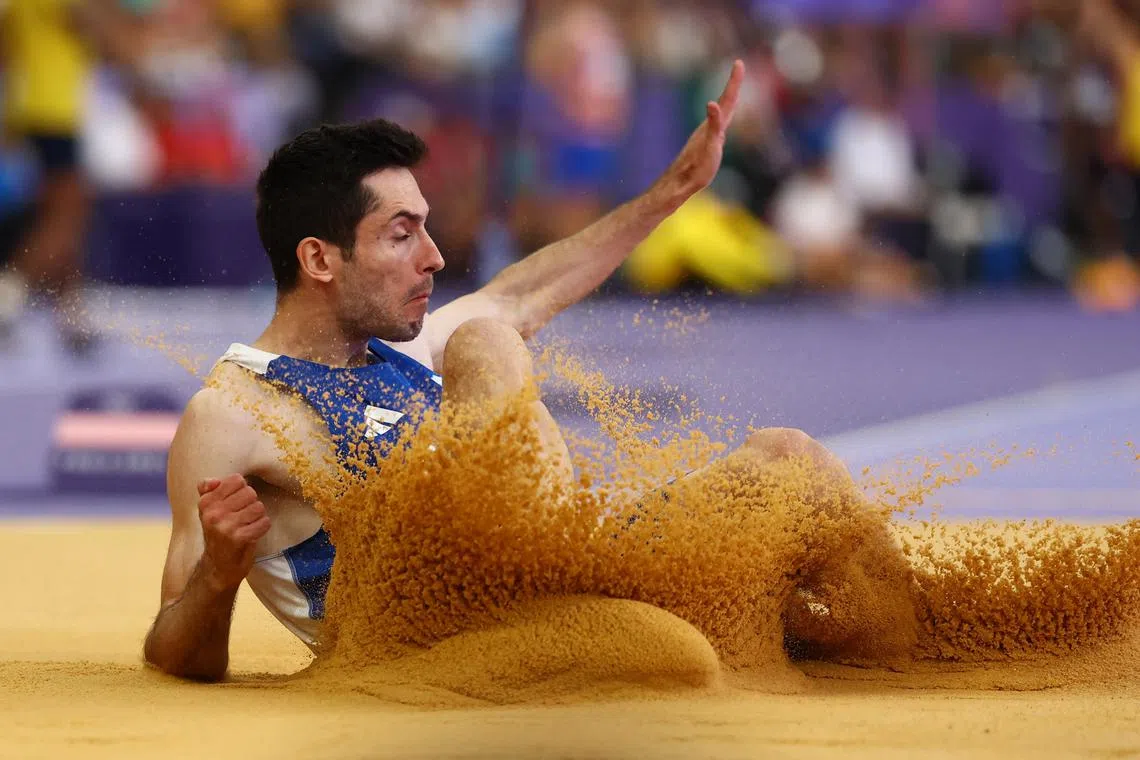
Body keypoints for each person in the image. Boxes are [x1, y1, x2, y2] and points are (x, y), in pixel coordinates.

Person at [143, 60, 912, 682]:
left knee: (790, 461)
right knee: (486, 344)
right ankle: (600, 589)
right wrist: (218, 576)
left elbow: (525, 291)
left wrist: (671, 193)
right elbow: (173, 652)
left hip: (558, 586)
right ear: (319, 259)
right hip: (435, 645)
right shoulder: (234, 413)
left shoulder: (398, 347)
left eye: (427, 230)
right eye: (401, 235)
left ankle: (925, 642)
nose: (433, 257)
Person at [0, 0, 138, 350]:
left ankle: (72, 315)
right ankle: (9, 294)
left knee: (59, 216)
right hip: (54, 112)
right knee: (68, 213)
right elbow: (109, 38)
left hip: (26, 109)